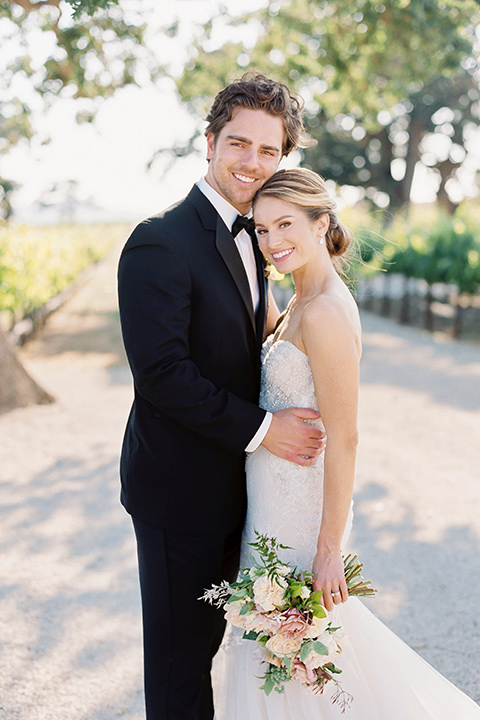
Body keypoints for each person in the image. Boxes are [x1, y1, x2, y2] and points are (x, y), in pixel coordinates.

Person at [212, 167, 480, 719]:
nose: (271, 241)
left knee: (302, 658)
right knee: (278, 659)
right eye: (260, 229)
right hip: (268, 504)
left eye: (285, 224)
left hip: (301, 516)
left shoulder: (328, 310)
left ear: (321, 223)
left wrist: (329, 546)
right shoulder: (294, 302)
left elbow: (347, 436)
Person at [117, 73, 326, 720]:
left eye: (269, 151)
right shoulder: (159, 242)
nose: (252, 163)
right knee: (181, 670)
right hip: (179, 495)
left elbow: (240, 339)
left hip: (240, 491)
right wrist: (267, 430)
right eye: (239, 144)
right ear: (209, 142)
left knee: (217, 651)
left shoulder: (259, 238)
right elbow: (162, 375)